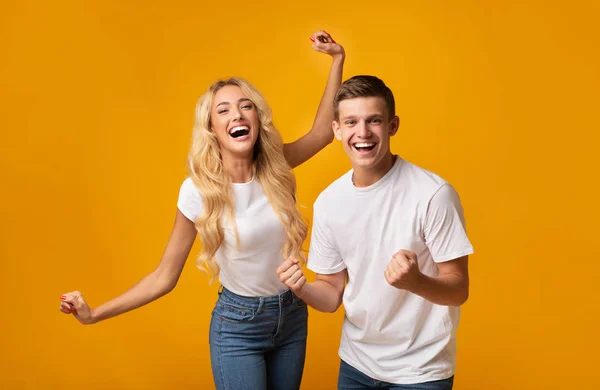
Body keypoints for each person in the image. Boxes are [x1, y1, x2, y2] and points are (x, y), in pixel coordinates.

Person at [59, 30, 345, 390]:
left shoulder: (277, 166)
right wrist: (95, 314)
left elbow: (321, 133)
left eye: (245, 106)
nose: (236, 114)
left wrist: (337, 60)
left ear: (256, 119)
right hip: (238, 327)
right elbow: (164, 276)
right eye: (222, 110)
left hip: (291, 316)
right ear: (212, 129)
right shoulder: (199, 191)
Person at [277, 75, 474, 389]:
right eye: (351, 122)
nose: (363, 133)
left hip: (421, 371)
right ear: (337, 129)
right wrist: (302, 289)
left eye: (374, 121)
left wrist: (416, 281)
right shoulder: (329, 202)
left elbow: (458, 289)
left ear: (392, 125)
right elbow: (330, 294)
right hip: (356, 366)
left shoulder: (434, 194)